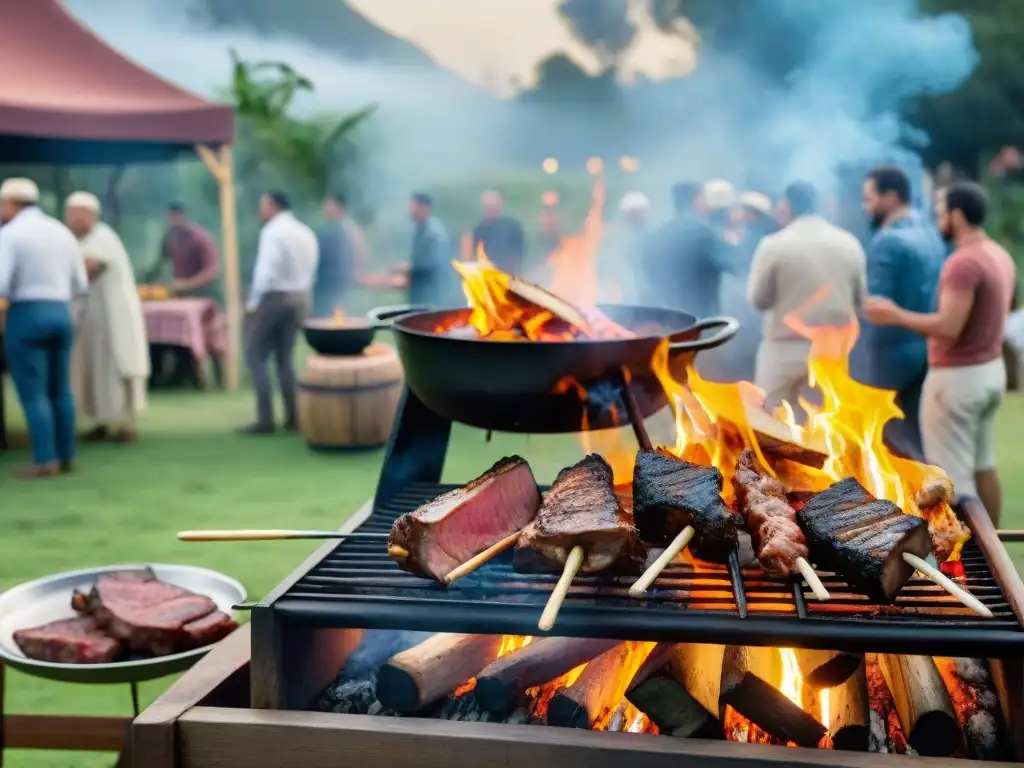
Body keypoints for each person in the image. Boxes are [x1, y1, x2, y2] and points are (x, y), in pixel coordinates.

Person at [864, 182, 1016, 524]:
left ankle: (958, 556)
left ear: (958, 215)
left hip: (957, 382)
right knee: (983, 465)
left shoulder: (962, 263)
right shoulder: (998, 254)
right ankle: (994, 548)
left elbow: (949, 326)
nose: (937, 220)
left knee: (950, 477)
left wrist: (894, 314)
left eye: (941, 213)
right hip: (990, 373)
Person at [747, 181, 867, 412]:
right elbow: (860, 303)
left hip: (782, 351)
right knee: (827, 430)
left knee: (770, 427)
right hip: (832, 352)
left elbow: (758, 299)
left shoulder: (774, 244)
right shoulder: (849, 243)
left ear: (786, 206)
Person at [0, 178, 88, 478]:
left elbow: (1, 283)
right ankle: (67, 456)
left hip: (27, 313)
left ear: (11, 202)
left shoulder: (10, 234)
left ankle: (44, 459)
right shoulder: (62, 232)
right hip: (60, 312)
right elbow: (81, 284)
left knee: (32, 391)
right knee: (61, 389)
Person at [858, 166, 945, 457]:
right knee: (919, 436)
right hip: (925, 349)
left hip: (889, 354)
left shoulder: (887, 240)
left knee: (887, 441)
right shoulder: (929, 231)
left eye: (869, 198)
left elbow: (875, 306)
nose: (865, 206)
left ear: (891, 197)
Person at [65, 192, 150, 444]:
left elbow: (89, 270)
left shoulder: (102, 238)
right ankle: (101, 421)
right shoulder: (81, 240)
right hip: (93, 318)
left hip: (114, 317)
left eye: (76, 216)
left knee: (119, 366)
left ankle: (127, 424)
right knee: (94, 369)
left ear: (90, 215)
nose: (72, 221)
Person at [240, 190, 318, 435]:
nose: (260, 211)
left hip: (276, 297)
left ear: (273, 206)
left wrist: (253, 302)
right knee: (285, 358)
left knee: (254, 354)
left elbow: (266, 271)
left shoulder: (273, 232)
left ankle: (265, 420)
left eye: (262, 205)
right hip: (301, 297)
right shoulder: (305, 231)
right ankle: (293, 418)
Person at [146, 203, 224, 385]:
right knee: (167, 333)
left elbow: (212, 270)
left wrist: (187, 284)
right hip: (180, 297)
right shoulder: (169, 238)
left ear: (183, 216)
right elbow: (159, 263)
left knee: (208, 337)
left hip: (206, 296)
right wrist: (152, 281)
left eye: (175, 217)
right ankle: (170, 377)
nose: (172, 222)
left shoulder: (201, 238)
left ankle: (212, 380)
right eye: (169, 218)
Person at [640, 182, 725, 318]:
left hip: (672, 316)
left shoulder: (661, 232)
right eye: (704, 198)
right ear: (696, 200)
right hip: (703, 317)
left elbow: (648, 268)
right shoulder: (704, 232)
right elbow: (732, 264)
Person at [396, 192, 454, 307]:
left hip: (432, 296)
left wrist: (409, 267)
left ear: (425, 208)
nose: (410, 211)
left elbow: (435, 263)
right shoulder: (418, 230)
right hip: (419, 294)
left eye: (413, 207)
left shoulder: (435, 232)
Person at [312, 192, 358, 318]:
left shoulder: (344, 230)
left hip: (331, 287)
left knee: (329, 320)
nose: (325, 209)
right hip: (329, 286)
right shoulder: (343, 229)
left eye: (328, 205)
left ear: (338, 207)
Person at [599, 192, 649, 303]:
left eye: (640, 211)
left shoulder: (649, 234)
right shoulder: (615, 235)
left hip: (644, 291)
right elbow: (605, 262)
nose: (639, 214)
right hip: (622, 288)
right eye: (635, 211)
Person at [471, 190, 525, 274]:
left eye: (493, 207)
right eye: (488, 207)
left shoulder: (512, 227)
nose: (491, 211)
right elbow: (475, 255)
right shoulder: (480, 229)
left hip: (509, 273)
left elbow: (518, 253)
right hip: (486, 273)